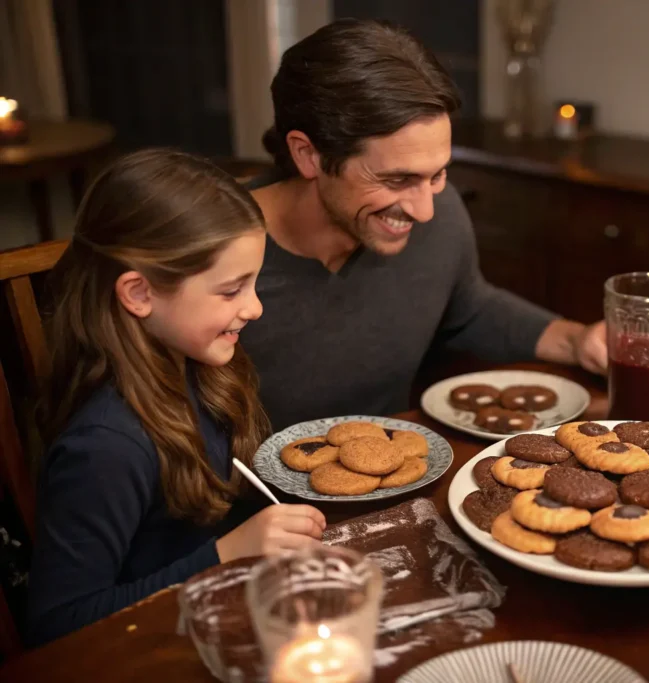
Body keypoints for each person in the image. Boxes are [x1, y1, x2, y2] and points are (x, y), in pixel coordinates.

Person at [243, 19, 607, 430]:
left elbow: (468, 309)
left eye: (437, 174)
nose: (425, 212)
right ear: (308, 154)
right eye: (397, 179)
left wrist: (577, 341)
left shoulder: (439, 209)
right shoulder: (204, 251)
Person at [27, 150, 326, 646]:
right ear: (139, 294)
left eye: (254, 283)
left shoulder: (199, 370)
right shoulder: (106, 447)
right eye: (231, 290)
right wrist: (227, 555)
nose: (254, 307)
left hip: (222, 616)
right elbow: (58, 626)